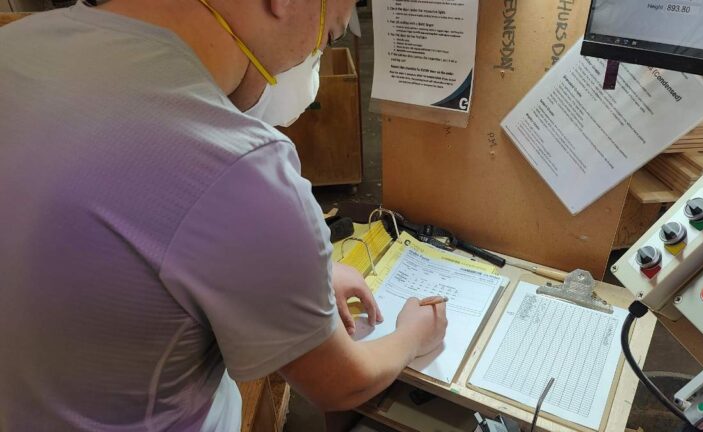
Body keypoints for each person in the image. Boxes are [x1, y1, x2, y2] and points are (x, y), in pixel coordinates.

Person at [0, 0, 448, 430]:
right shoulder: (239, 163)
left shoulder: (19, 43)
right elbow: (340, 383)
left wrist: (295, 278)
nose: (314, 57)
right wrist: (412, 335)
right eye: (328, 35)